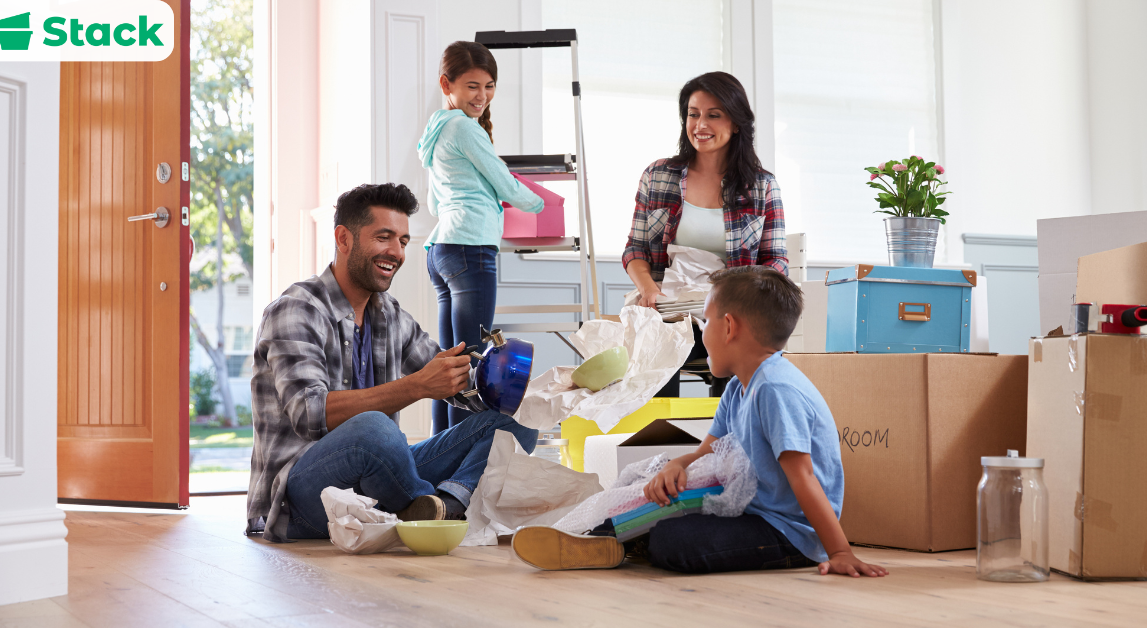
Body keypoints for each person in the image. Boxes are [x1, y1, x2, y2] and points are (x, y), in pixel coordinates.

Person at [511, 267, 888, 578]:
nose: (700, 332)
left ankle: (610, 541)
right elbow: (706, 452)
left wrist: (838, 551)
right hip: (753, 511)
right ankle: (601, 537)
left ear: (728, 327)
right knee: (656, 498)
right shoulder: (739, 388)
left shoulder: (775, 389)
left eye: (704, 321)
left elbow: (803, 476)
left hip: (789, 533)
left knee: (673, 541)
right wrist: (677, 466)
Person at [245, 183, 537, 543]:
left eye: (403, 241)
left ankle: (441, 506)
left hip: (375, 485)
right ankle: (420, 504)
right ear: (343, 238)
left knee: (518, 420)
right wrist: (417, 386)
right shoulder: (297, 309)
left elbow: (449, 378)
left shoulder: (389, 314)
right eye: (384, 237)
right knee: (374, 429)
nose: (396, 252)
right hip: (300, 500)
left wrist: (505, 383)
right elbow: (309, 413)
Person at [622, 71, 788, 397]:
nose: (700, 125)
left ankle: (727, 438)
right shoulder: (658, 176)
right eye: (693, 114)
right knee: (653, 340)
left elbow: (775, 261)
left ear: (736, 123)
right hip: (667, 310)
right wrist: (649, 290)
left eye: (714, 115)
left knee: (735, 339)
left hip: (729, 314)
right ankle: (656, 437)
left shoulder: (762, 186)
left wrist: (738, 294)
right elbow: (635, 249)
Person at [418, 41, 544, 434]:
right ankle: (459, 462)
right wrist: (539, 203)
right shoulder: (464, 128)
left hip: (442, 249)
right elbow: (505, 183)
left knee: (450, 364)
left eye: (489, 86)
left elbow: (434, 202)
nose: (482, 96)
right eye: (472, 86)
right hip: (470, 249)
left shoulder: (438, 129)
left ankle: (436, 455)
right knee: (472, 363)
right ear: (447, 84)